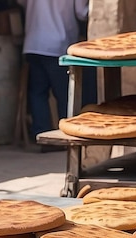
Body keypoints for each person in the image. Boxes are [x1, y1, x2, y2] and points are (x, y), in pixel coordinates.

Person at [17, 0, 96, 142]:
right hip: (57, 45)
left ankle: (41, 136)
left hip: (33, 44)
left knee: (37, 93)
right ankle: (67, 135)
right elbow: (82, 12)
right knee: (64, 95)